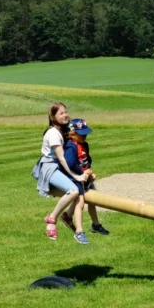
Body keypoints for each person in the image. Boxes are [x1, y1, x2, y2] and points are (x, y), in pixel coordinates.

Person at [31, 102, 90, 242]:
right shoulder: (53, 133)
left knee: (78, 192)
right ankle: (52, 219)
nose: (65, 115)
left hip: (58, 166)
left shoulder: (62, 131)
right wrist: (76, 175)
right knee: (74, 191)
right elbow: (62, 158)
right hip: (50, 167)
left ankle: (68, 216)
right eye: (61, 113)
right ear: (53, 117)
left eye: (66, 112)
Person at [59, 118, 110, 243]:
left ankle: (95, 224)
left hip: (85, 177)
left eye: (86, 133)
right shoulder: (70, 146)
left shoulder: (84, 145)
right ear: (72, 134)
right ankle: (79, 232)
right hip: (75, 178)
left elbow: (87, 160)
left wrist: (90, 172)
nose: (85, 136)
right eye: (82, 134)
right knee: (80, 203)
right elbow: (71, 164)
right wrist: (83, 173)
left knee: (92, 199)